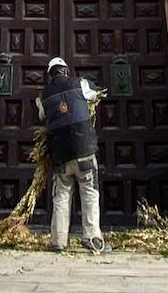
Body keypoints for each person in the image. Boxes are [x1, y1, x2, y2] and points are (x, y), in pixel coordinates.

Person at [35, 57, 108, 252]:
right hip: (83, 149)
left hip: (60, 154)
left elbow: (42, 115)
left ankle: (59, 242)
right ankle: (93, 239)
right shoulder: (79, 84)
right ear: (66, 71)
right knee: (90, 192)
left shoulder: (43, 96)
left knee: (61, 196)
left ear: (50, 74)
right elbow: (95, 94)